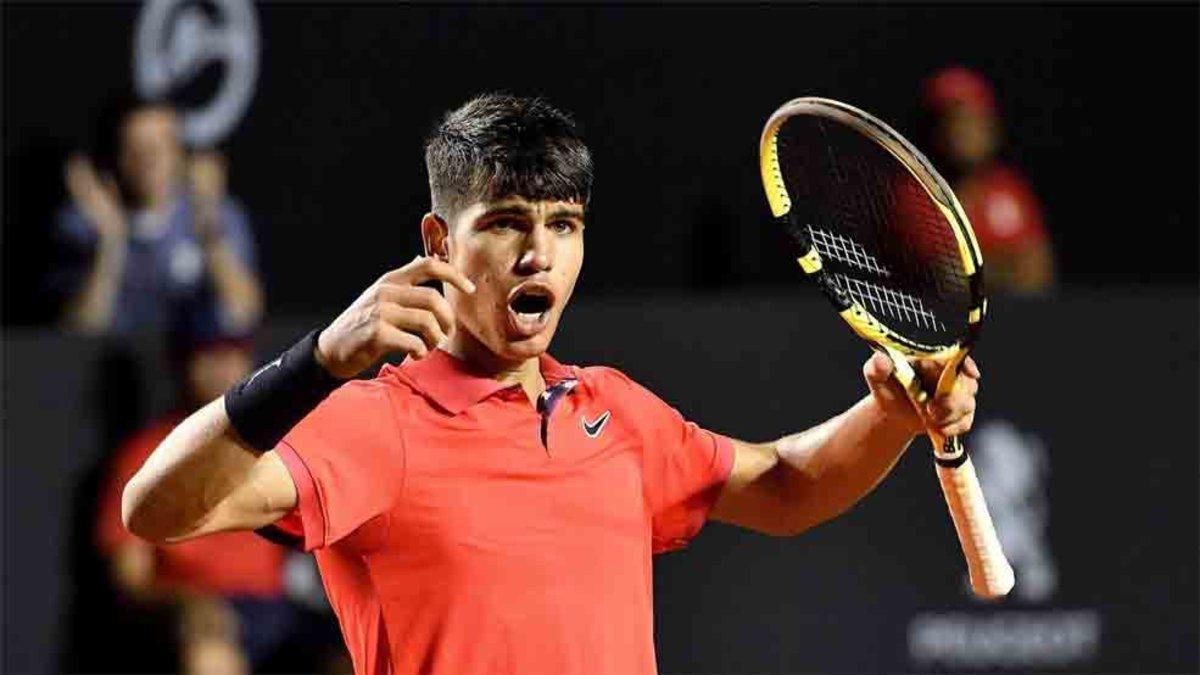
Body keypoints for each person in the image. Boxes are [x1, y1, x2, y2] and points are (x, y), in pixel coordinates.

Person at [122, 94, 981, 675]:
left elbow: (789, 487)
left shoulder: (614, 410)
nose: (538, 253)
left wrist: (888, 415)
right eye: (504, 224)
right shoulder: (373, 422)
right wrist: (315, 365)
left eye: (562, 225)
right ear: (439, 241)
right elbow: (155, 509)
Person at [94, 331, 297, 675]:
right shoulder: (149, 452)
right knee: (210, 646)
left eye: (232, 355)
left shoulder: (280, 442)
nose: (222, 369)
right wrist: (190, 603)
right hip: (200, 605)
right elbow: (130, 577)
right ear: (185, 365)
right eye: (210, 356)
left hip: (278, 606)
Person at [51, 96, 263, 335]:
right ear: (114, 156)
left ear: (180, 154)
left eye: (159, 147)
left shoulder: (215, 212)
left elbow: (244, 313)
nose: (147, 161)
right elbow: (80, 330)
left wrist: (207, 221)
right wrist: (110, 240)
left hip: (190, 364)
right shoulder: (82, 222)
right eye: (134, 148)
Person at [922, 66, 1054, 293]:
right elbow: (945, 278)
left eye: (973, 120)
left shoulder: (1010, 189)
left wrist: (984, 271)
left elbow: (1038, 272)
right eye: (952, 121)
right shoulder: (915, 194)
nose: (963, 132)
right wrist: (1008, 266)